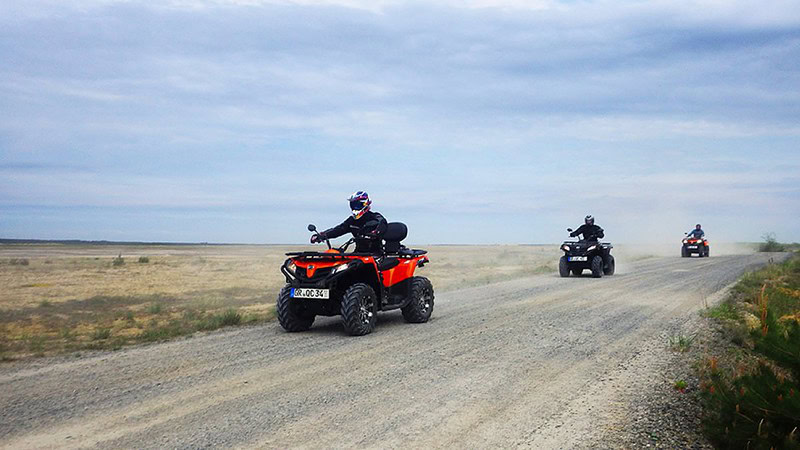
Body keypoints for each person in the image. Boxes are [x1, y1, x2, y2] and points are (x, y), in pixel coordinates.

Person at [311, 191, 388, 253]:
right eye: (353, 205)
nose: (354, 207)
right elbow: (339, 229)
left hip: (375, 255)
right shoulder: (352, 220)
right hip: (358, 254)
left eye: (357, 205)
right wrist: (322, 236)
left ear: (364, 204)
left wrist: (375, 233)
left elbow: (382, 224)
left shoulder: (375, 217)